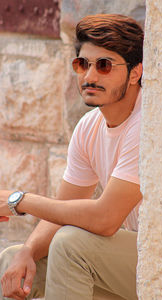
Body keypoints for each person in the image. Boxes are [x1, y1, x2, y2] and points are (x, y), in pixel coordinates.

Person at [0, 13, 143, 300]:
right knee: (15, 259)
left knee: (70, 243)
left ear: (135, 72)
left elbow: (105, 219)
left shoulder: (148, 124)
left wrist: (18, 200)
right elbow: (65, 207)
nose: (89, 76)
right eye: (82, 64)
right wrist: (28, 250)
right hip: (132, 262)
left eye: (104, 66)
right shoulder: (90, 126)